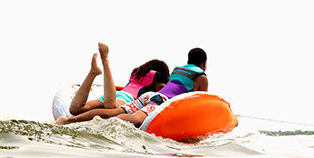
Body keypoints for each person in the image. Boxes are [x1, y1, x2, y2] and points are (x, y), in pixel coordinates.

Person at [58, 47, 209, 128]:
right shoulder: (201, 76)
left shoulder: (178, 69)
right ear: (204, 64)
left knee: (112, 111)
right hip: (161, 100)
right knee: (135, 119)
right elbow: (200, 102)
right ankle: (101, 123)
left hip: (147, 97)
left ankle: (70, 122)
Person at [66, 43, 169, 116]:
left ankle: (93, 72)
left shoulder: (137, 74)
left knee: (76, 109)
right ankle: (105, 61)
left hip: (114, 94)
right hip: (127, 99)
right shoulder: (158, 80)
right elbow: (166, 92)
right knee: (111, 106)